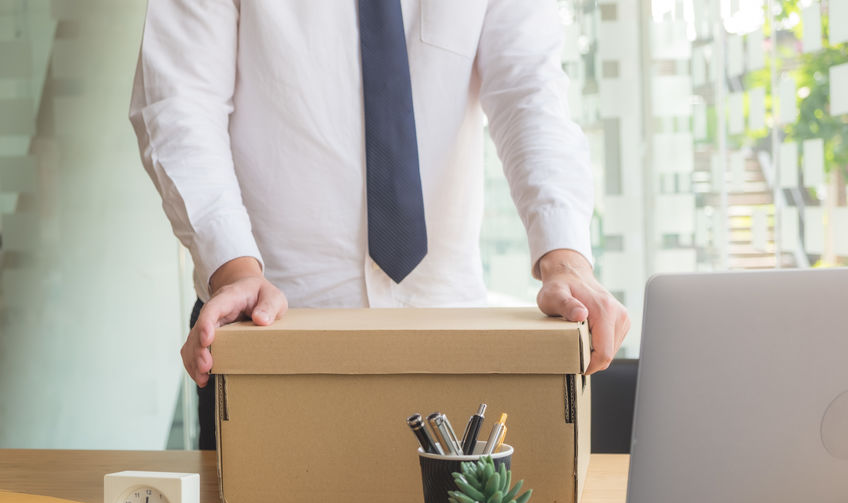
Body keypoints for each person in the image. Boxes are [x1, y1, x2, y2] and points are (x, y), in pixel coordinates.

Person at [130, 0, 629, 449]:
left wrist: (565, 259)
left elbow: (531, 93)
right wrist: (235, 270)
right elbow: (179, 104)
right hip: (268, 334)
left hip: (448, 333)